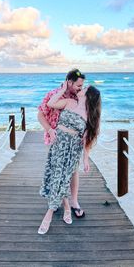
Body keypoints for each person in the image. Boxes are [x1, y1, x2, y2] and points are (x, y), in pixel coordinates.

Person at [38, 83, 101, 234]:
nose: (81, 88)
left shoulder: (89, 115)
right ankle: (66, 206)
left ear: (88, 96)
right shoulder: (69, 102)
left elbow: (88, 139)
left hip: (73, 150)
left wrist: (85, 159)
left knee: (63, 179)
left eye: (84, 89)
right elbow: (50, 103)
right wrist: (63, 90)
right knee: (56, 177)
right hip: (58, 145)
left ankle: (49, 214)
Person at [38, 69, 86, 218]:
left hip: (74, 142)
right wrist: (49, 130)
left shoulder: (78, 97)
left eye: (82, 85)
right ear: (69, 82)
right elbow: (40, 114)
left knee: (73, 171)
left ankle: (74, 202)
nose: (81, 88)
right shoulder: (53, 94)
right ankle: (56, 199)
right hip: (57, 139)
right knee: (56, 168)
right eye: (78, 85)